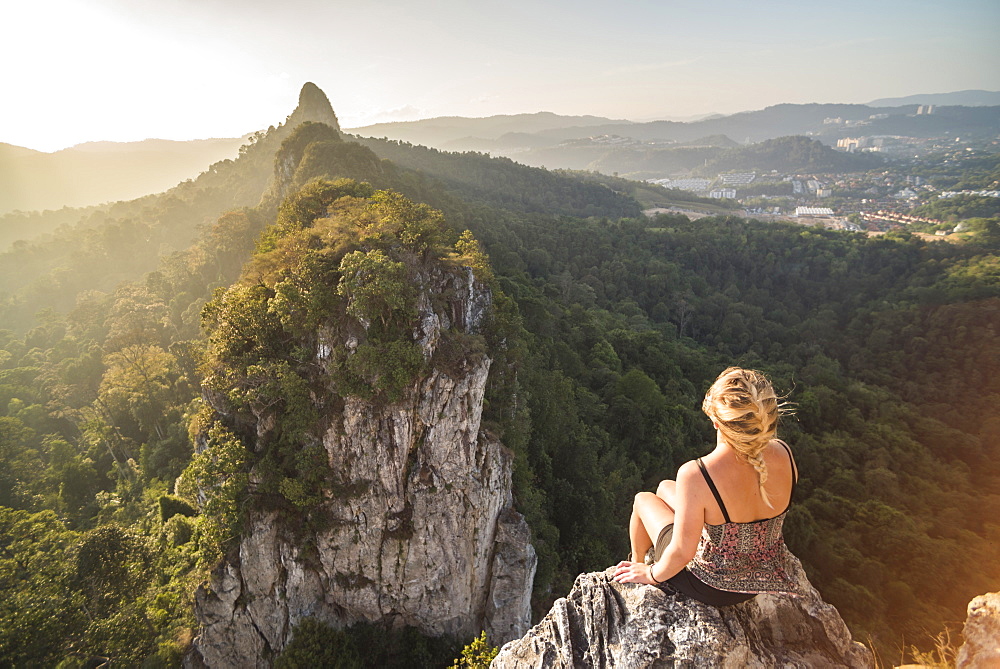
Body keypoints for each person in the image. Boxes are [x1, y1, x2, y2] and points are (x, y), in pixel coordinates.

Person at [612, 366, 800, 605]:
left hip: (713, 586)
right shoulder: (784, 452)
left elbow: (682, 552)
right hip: (762, 575)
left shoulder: (698, 474)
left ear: (716, 422)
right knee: (664, 487)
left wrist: (651, 574)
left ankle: (638, 563)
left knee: (643, 499)